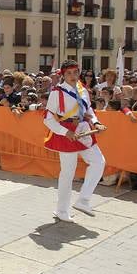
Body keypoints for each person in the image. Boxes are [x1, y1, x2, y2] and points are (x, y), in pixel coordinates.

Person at [43, 60, 107, 221]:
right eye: (69, 73)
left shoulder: (82, 89)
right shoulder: (57, 92)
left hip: (84, 129)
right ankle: (62, 210)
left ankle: (83, 200)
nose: (73, 76)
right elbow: (48, 119)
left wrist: (96, 122)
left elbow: (88, 109)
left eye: (75, 72)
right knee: (68, 173)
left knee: (99, 162)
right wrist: (65, 132)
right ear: (63, 75)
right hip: (67, 132)